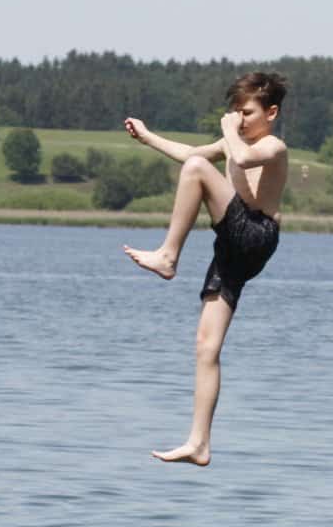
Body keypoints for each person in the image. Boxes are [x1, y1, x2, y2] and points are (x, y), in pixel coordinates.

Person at [122, 72, 290, 466]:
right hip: (231, 247)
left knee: (199, 169)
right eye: (235, 112)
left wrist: (228, 132)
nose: (239, 119)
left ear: (272, 112)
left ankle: (168, 255)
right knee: (206, 347)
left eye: (246, 112)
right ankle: (199, 443)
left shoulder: (272, 145)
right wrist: (147, 136)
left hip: (255, 233)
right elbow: (188, 153)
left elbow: (242, 158)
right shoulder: (237, 141)